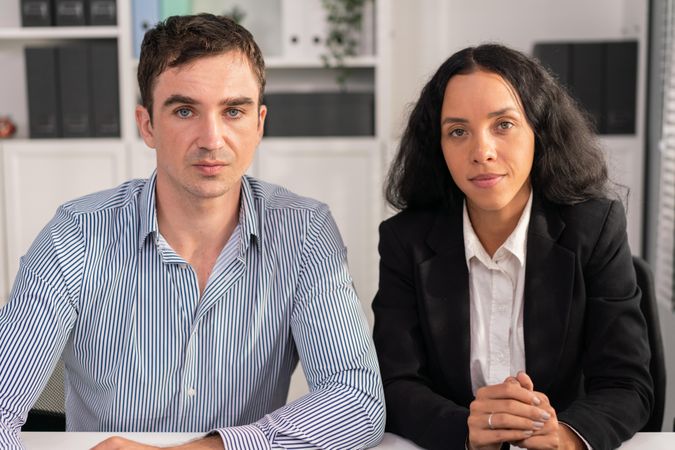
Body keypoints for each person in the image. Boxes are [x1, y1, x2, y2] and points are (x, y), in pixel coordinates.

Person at [0, 14, 384, 450]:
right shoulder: (77, 235)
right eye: (185, 110)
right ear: (147, 125)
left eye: (233, 111)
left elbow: (356, 402)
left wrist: (209, 449)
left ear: (258, 124)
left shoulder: (305, 233)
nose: (212, 138)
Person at [372, 43, 653, 450]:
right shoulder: (405, 241)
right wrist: (466, 430)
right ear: (439, 147)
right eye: (457, 132)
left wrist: (566, 436)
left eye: (503, 125)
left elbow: (627, 383)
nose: (482, 152)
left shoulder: (594, 228)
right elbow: (395, 382)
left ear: (538, 131)